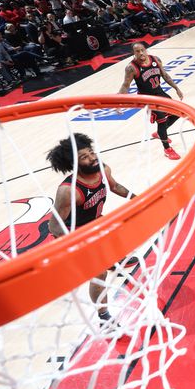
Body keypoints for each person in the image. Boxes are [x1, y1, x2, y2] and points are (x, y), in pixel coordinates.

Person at [46, 133, 136, 325]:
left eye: (91, 152)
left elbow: (115, 186)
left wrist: (137, 199)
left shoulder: (103, 169)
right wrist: (76, 244)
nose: (92, 157)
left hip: (96, 224)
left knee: (118, 236)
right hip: (75, 233)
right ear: (75, 164)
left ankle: (113, 260)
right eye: (84, 157)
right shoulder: (68, 190)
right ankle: (103, 315)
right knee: (99, 273)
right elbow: (54, 225)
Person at [118, 43, 184, 160]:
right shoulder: (131, 68)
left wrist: (176, 88)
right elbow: (125, 85)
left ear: (146, 50)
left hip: (159, 93)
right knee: (162, 121)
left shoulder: (156, 59)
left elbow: (165, 75)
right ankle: (167, 149)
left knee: (177, 113)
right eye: (137, 51)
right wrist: (118, 103)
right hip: (147, 98)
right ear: (134, 53)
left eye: (142, 50)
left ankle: (160, 133)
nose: (141, 53)